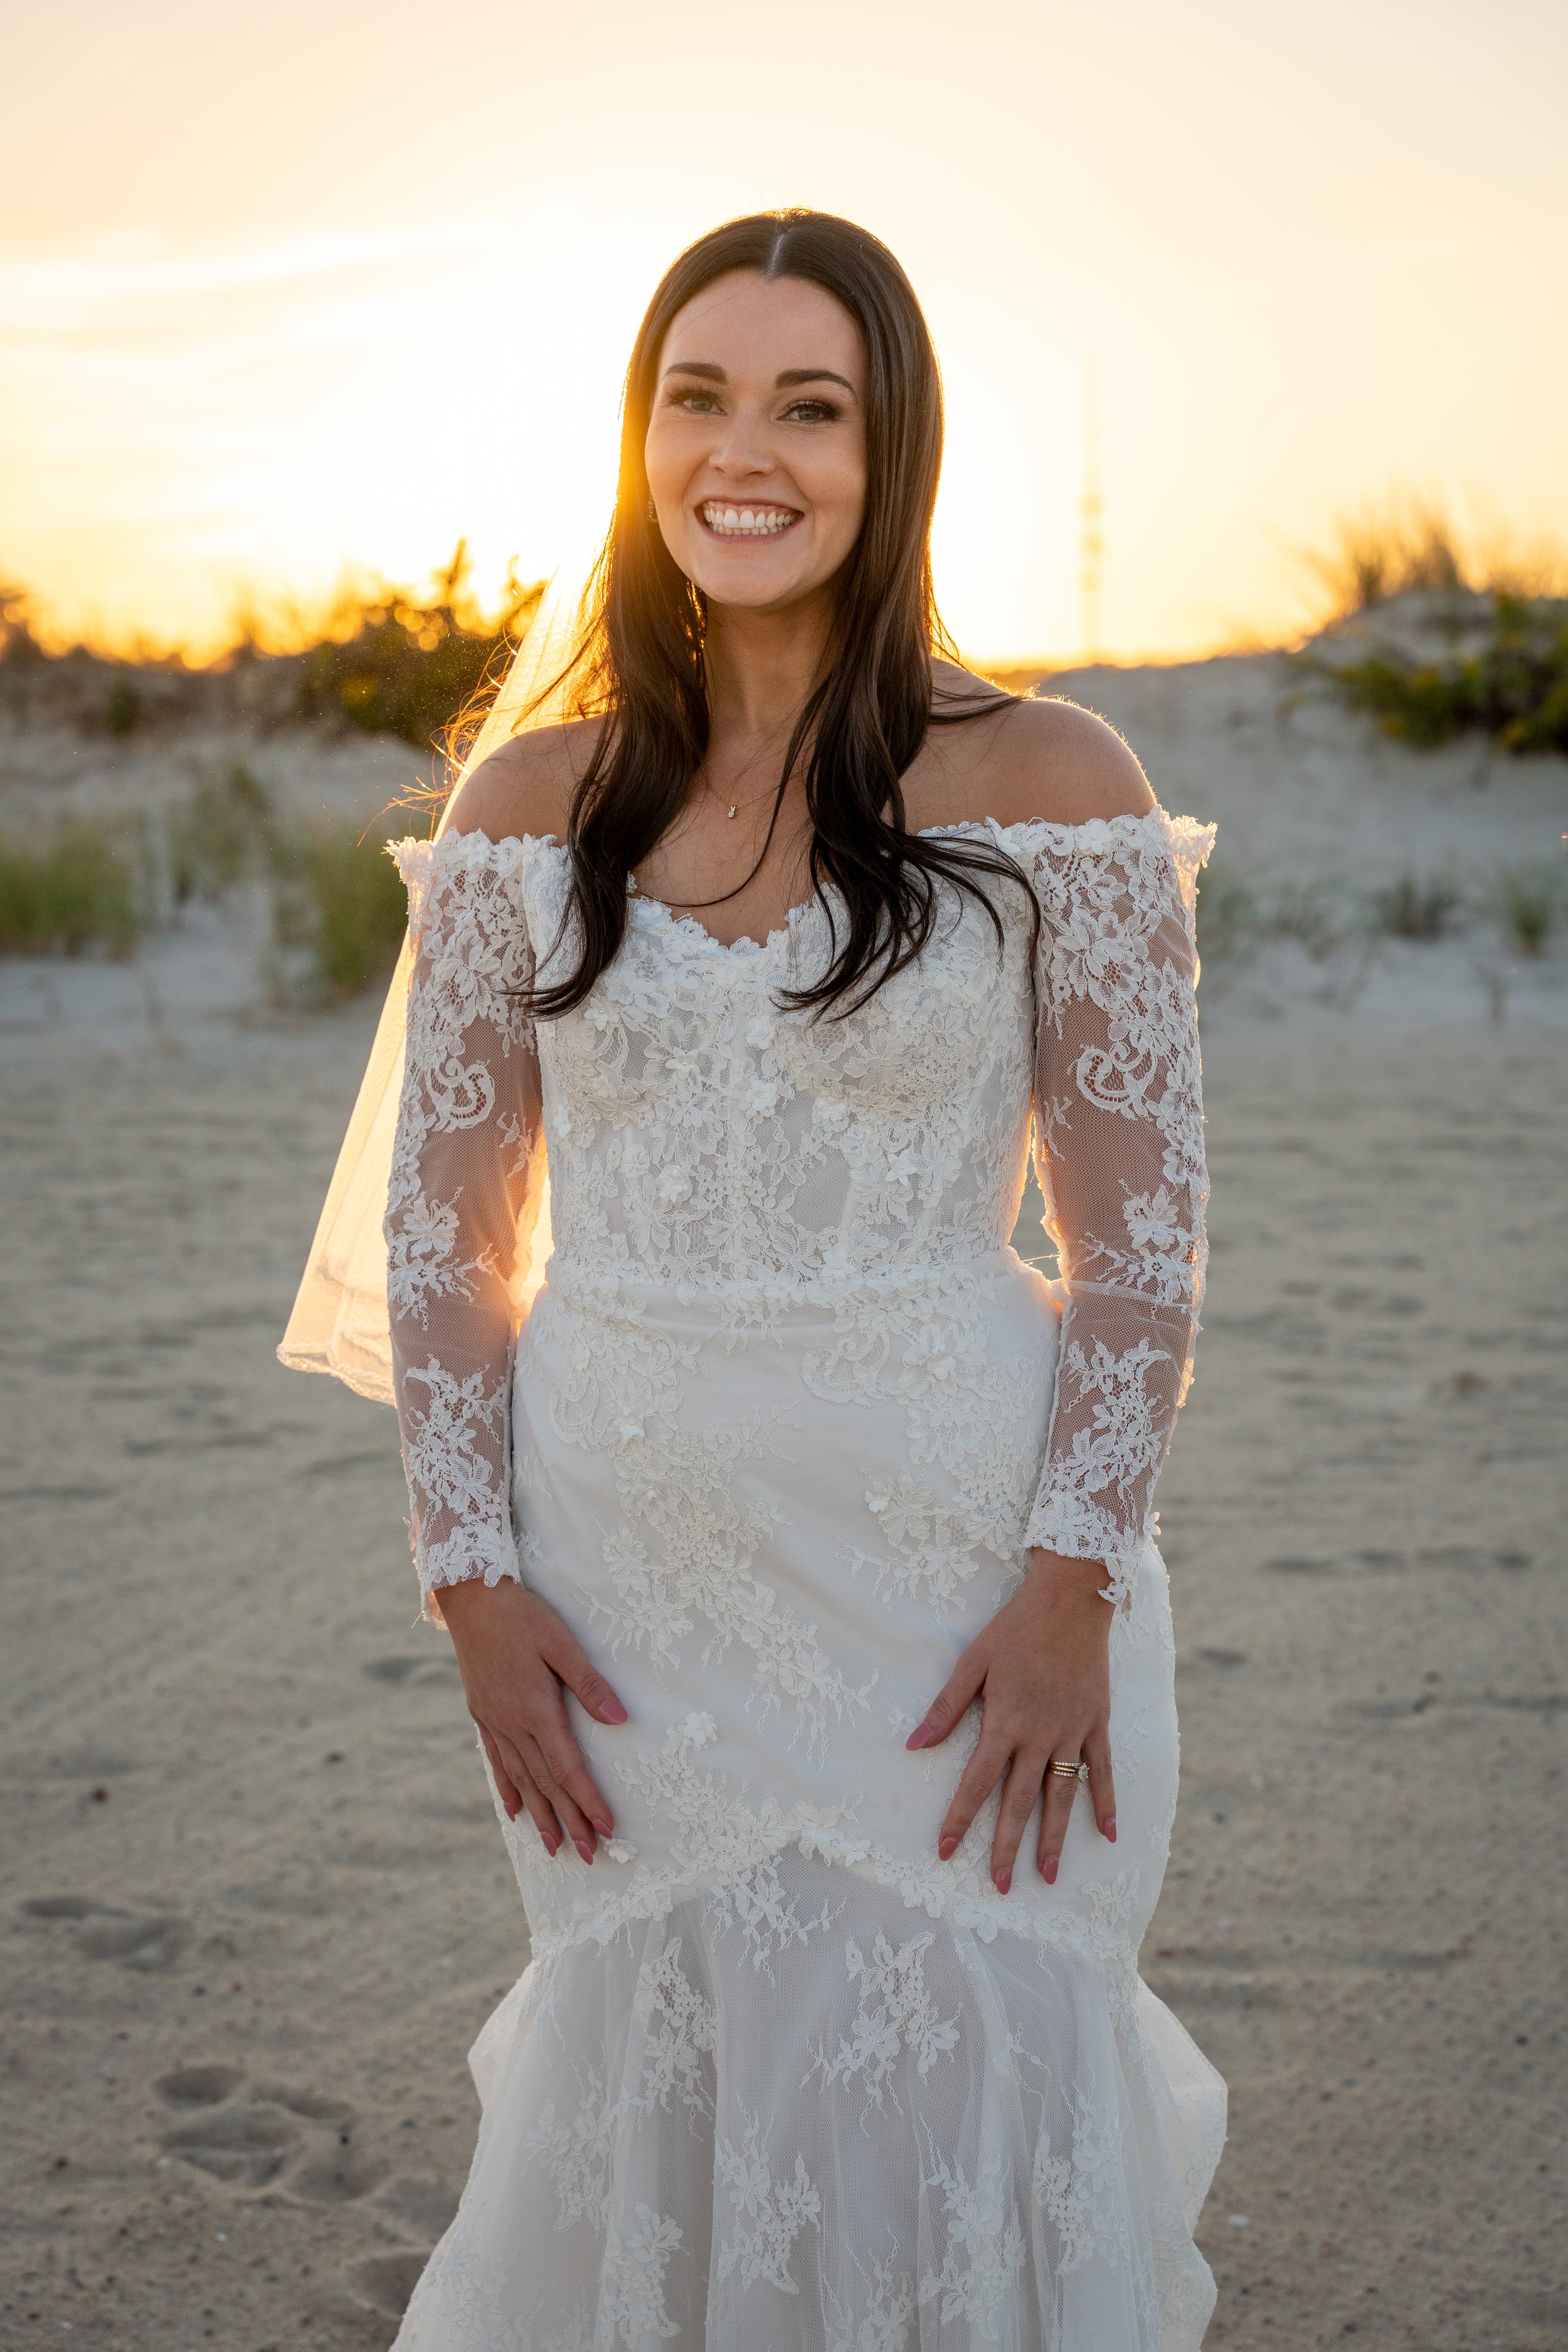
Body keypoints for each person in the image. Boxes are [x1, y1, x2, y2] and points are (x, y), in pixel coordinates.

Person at [283, 207, 1224, 2350]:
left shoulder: (1052, 784)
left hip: (964, 1582)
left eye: (812, 404)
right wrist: (474, 1586)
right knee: (661, 2095)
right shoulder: (531, 808)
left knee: (975, 2066)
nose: (747, 450)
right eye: (696, 396)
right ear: (635, 436)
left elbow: (1139, 1237)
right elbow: (445, 1254)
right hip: (628, 1597)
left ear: (892, 454)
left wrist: (1071, 1586)